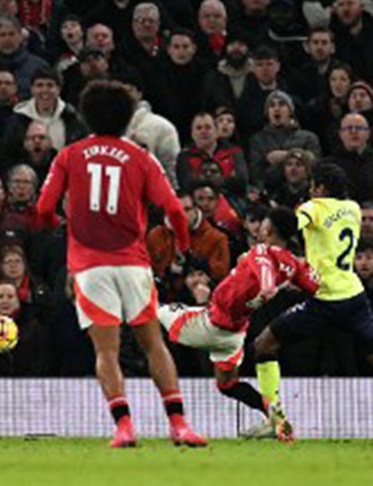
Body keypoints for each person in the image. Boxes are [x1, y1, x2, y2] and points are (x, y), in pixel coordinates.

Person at [36, 80, 205, 448]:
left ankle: (124, 427)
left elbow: (43, 209)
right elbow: (175, 209)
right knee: (153, 344)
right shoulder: (142, 157)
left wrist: (61, 228)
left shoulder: (70, 155)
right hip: (133, 263)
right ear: (128, 117)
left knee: (106, 351)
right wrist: (183, 245)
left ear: (86, 115)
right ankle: (178, 425)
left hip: (90, 266)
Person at [158, 207, 319, 436]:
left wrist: (266, 287)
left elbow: (264, 270)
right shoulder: (293, 263)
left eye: (263, 221)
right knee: (226, 384)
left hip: (210, 323)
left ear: (268, 228)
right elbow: (315, 286)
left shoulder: (261, 251)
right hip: (233, 335)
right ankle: (273, 415)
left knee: (153, 311)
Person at [253, 162, 373, 441]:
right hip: (355, 297)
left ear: (319, 188)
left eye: (312, 186)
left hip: (324, 300)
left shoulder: (312, 208)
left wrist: (274, 225)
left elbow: (292, 225)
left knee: (264, 345)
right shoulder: (353, 209)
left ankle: (277, 421)